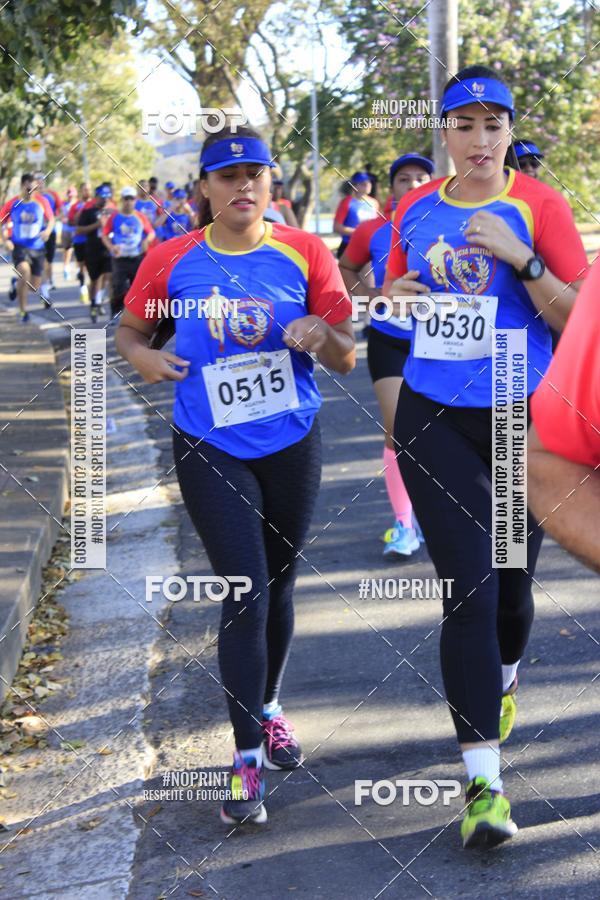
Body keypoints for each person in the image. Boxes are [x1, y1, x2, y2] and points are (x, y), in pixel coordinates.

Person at [115, 124, 355, 826]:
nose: (243, 186)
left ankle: (269, 706)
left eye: (255, 174)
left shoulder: (306, 251)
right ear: (205, 187)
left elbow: (345, 355)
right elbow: (129, 331)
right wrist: (143, 358)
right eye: (227, 176)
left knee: (279, 584)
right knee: (245, 592)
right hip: (208, 443)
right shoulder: (171, 259)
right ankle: (246, 761)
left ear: (271, 182)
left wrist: (322, 332)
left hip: (291, 440)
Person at [383, 64, 588, 849]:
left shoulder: (540, 206)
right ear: (444, 132)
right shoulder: (413, 208)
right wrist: (393, 299)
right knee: (467, 592)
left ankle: (502, 678)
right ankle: (483, 787)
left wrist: (522, 258)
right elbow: (391, 301)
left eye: (492, 125)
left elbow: (579, 320)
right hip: (434, 416)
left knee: (509, 592)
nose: (478, 139)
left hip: (516, 418)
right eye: (463, 125)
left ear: (508, 131)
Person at [340, 153, 434, 558]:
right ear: (391, 187)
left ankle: (438, 512)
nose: (412, 185)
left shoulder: (453, 223)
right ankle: (403, 524)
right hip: (390, 339)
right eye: (404, 179)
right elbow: (346, 267)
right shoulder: (372, 229)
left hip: (442, 344)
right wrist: (371, 298)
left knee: (445, 431)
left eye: (420, 178)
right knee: (398, 428)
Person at [528, 257, 600, 572]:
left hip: (513, 373)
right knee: (470, 583)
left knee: (511, 572)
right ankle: (405, 523)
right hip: (435, 389)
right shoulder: (408, 224)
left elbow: (575, 307)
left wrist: (526, 264)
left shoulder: (540, 218)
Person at [0, 173, 54, 322]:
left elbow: (51, 220)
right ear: (22, 186)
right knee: (24, 271)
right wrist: (5, 240)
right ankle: (23, 312)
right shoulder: (12, 203)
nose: (31, 191)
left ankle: (15, 283)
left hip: (37, 248)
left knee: (33, 286)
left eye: (33, 188)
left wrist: (47, 231)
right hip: (19, 247)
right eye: (28, 188)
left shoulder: (42, 201)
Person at [101, 186, 155, 319]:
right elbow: (104, 235)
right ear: (122, 200)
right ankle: (116, 312)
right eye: (126, 199)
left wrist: (146, 241)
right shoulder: (115, 216)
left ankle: (135, 314)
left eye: (131, 199)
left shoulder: (140, 216)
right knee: (118, 286)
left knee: (137, 287)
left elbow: (151, 233)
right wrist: (111, 247)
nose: (129, 202)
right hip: (119, 258)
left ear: (135, 200)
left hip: (136, 257)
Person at [76, 184, 114, 319]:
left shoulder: (113, 212)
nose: (105, 199)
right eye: (102, 197)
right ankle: (94, 304)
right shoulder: (88, 212)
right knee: (95, 279)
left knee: (109, 276)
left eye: (107, 197)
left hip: (108, 249)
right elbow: (79, 230)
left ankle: (100, 301)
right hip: (93, 248)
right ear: (96, 197)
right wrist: (97, 225)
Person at [333, 172, 379, 259]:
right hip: (349, 246)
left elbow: (376, 224)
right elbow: (337, 227)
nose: (368, 185)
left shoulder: (374, 203)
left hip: (369, 247)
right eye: (363, 184)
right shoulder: (347, 202)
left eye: (369, 183)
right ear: (355, 186)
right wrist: (359, 232)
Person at [33, 171, 62, 301]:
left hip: (51, 232)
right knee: (41, 262)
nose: (39, 181)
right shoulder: (31, 197)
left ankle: (47, 283)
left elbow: (61, 212)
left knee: (48, 261)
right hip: (35, 235)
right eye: (36, 179)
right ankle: (44, 291)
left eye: (42, 178)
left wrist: (53, 219)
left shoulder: (52, 195)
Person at [68, 182, 92, 295]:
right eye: (85, 190)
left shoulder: (94, 204)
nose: (87, 192)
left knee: (91, 265)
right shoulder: (76, 206)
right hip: (79, 239)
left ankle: (93, 290)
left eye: (89, 189)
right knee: (81, 265)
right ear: (81, 191)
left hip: (92, 240)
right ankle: (83, 286)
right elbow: (70, 221)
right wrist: (79, 216)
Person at [61, 185, 78, 279]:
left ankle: (78, 270)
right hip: (66, 231)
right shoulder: (64, 204)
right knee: (67, 250)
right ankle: (66, 268)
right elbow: (60, 215)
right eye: (69, 195)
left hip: (77, 231)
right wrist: (63, 218)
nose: (71, 197)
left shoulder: (79, 204)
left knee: (77, 251)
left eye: (72, 195)